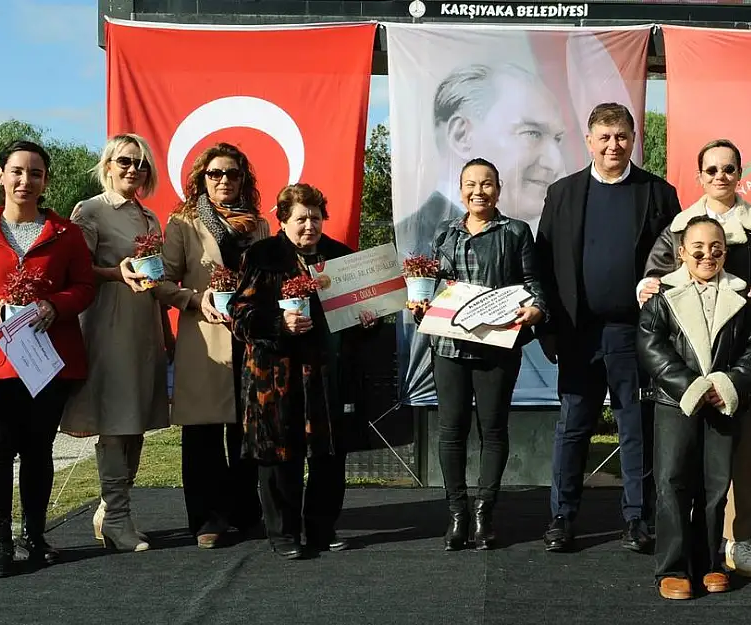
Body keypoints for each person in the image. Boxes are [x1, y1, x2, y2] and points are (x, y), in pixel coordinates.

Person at [638, 139, 751, 577]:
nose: (720, 177)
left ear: (739, 172)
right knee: (678, 468)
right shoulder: (676, 227)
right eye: (711, 170)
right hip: (687, 366)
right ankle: (683, 558)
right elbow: (654, 282)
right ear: (699, 176)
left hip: (742, 360)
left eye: (728, 169)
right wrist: (645, 289)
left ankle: (739, 540)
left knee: (742, 453)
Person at [0, 140, 95, 577]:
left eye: (36, 173)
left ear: (46, 181)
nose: (26, 181)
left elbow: (84, 286)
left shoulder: (67, 234)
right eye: (18, 171)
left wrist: (54, 306)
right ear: (1, 175)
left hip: (46, 359)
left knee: (38, 450)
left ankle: (34, 536)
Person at [536, 102, 681, 553]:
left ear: (633, 138)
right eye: (604, 136)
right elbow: (542, 262)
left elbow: (676, 265)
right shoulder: (562, 193)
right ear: (589, 140)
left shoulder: (658, 193)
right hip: (578, 333)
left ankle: (637, 519)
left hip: (634, 334)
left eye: (621, 136)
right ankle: (562, 517)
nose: (613, 145)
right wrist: (548, 330)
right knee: (573, 426)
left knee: (634, 426)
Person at [408, 158, 548, 551]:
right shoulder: (444, 233)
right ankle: (457, 514)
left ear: (499, 190)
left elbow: (535, 285)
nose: (478, 191)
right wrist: (420, 304)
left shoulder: (516, 232)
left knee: (493, 429)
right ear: (460, 189)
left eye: (486, 184)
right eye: (470, 184)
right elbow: (431, 284)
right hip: (448, 347)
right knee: (451, 431)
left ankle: (485, 513)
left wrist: (536, 308)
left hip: (496, 345)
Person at [230, 183, 376, 559]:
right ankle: (283, 533)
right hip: (275, 376)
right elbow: (240, 316)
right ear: (282, 220)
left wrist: (367, 319)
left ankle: (322, 529)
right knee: (280, 455)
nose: (309, 225)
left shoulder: (340, 257)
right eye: (300, 218)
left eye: (315, 217)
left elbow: (357, 323)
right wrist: (280, 322)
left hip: (327, 375)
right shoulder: (263, 255)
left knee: (329, 455)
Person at [637, 215, 751, 600]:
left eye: (715, 247)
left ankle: (710, 563)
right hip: (675, 404)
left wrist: (725, 384)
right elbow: (651, 347)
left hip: (723, 405)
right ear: (682, 252)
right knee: (672, 484)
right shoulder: (661, 296)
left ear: (725, 252)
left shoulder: (746, 297)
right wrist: (691, 386)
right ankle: (673, 568)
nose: (706, 254)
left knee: (716, 487)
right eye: (697, 247)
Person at [155, 142, 269, 549]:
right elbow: (161, 282)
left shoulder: (258, 226)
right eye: (215, 173)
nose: (224, 180)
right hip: (204, 340)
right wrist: (192, 298)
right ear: (201, 178)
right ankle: (207, 518)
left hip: (250, 340)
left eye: (233, 174)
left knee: (246, 431)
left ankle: (245, 511)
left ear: (244, 180)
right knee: (202, 435)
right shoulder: (183, 222)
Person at [60, 134, 171, 552]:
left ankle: (113, 512)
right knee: (115, 421)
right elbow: (75, 270)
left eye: (141, 163)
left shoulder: (150, 218)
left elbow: (155, 279)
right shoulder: (91, 211)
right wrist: (114, 272)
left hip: (145, 328)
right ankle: (117, 515)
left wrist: (167, 329)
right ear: (107, 164)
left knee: (137, 422)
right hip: (108, 326)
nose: (133, 169)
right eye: (125, 161)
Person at [394, 63, 567, 257]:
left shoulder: (522, 235)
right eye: (532, 133)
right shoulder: (409, 243)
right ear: (462, 136)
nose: (556, 162)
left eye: (558, 139)